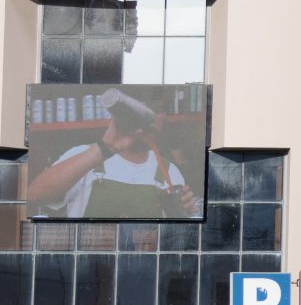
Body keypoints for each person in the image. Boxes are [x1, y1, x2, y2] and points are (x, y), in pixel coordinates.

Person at [26, 88, 203, 220]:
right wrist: (105, 147)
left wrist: (181, 214)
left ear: (164, 118)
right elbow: (35, 196)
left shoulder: (170, 173)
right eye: (141, 108)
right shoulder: (84, 156)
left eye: (157, 109)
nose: (150, 117)